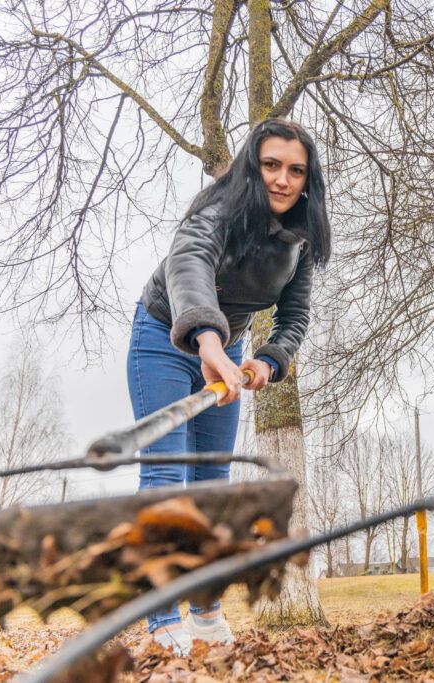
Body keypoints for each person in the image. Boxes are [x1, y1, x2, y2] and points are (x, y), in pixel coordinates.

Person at [127, 118, 331, 653]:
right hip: (165, 336)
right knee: (169, 472)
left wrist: (270, 359)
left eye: (295, 170)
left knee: (214, 480)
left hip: (230, 347)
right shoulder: (217, 211)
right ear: (251, 166)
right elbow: (189, 262)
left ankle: (205, 610)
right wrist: (208, 340)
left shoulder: (301, 239)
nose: (282, 180)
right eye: (270, 166)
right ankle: (160, 616)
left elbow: (295, 314)